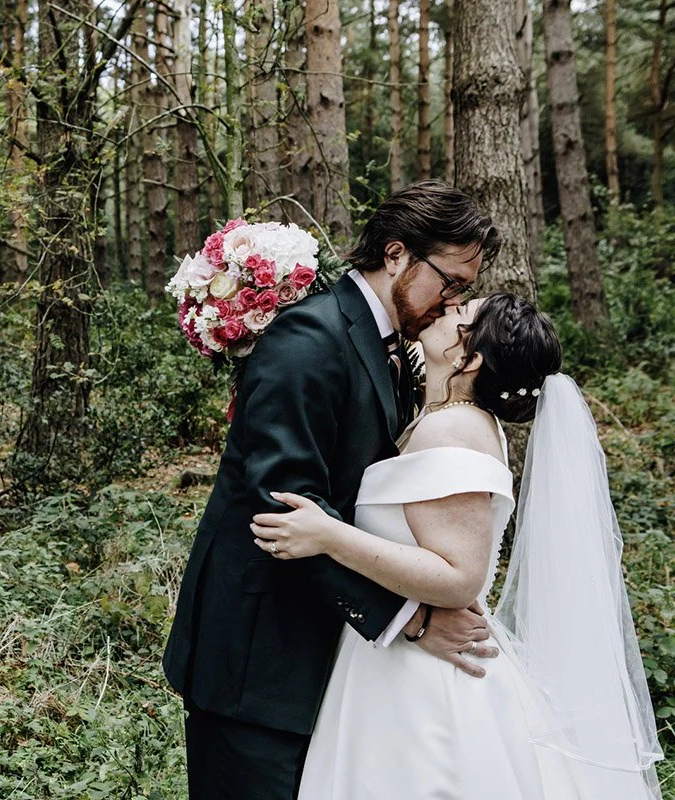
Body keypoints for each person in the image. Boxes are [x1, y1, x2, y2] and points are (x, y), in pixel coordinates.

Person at [162, 181, 505, 799]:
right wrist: (412, 619)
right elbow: (284, 511)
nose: (453, 300)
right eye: (449, 281)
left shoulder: (396, 347)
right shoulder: (309, 340)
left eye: (463, 289)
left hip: (328, 654)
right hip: (258, 657)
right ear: (397, 254)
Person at [252, 293, 663, 799]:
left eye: (461, 315)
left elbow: (459, 577)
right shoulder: (447, 420)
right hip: (393, 660)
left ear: (468, 358)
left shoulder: (452, 432)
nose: (448, 308)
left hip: (426, 683)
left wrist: (331, 535)